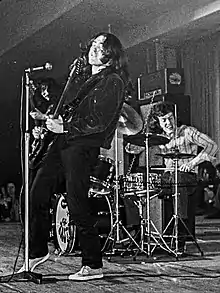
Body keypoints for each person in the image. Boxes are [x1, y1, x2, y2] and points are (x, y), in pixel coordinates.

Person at [18, 32, 130, 281]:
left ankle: (93, 265)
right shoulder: (83, 79)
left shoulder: (112, 81)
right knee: (35, 192)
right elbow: (70, 108)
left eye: (101, 45)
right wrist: (55, 122)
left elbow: (98, 121)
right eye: (93, 43)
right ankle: (37, 252)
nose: (94, 48)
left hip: (83, 146)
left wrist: (66, 127)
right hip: (64, 142)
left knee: (76, 201)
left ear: (111, 54)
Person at [147, 101, 218, 253]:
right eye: (164, 119)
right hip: (168, 177)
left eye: (170, 118)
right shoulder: (159, 138)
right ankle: (143, 234)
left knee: (178, 179)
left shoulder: (187, 132)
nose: (168, 122)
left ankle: (180, 234)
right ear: (158, 122)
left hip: (188, 177)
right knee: (142, 183)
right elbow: (132, 148)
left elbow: (213, 146)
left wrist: (193, 163)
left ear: (175, 117)